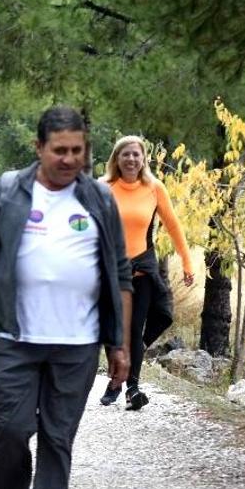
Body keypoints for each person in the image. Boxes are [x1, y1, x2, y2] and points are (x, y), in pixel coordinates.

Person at [0, 106, 132, 489]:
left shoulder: (98, 199)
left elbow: (120, 274)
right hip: (15, 338)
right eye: (60, 150)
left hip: (77, 344)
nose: (69, 159)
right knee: (13, 430)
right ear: (39, 148)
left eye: (78, 150)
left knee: (58, 438)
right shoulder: (7, 193)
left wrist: (120, 344)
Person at [100, 135, 195, 410]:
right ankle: (117, 381)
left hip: (141, 270)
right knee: (114, 330)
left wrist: (188, 263)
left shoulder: (154, 188)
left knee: (139, 328)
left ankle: (131, 386)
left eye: (136, 154)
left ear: (144, 159)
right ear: (116, 159)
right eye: (125, 154)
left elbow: (174, 227)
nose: (131, 159)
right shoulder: (104, 188)